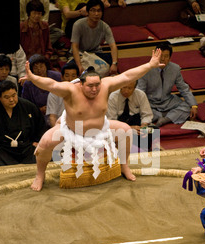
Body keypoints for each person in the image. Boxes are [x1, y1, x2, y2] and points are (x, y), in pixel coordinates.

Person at [19, 48, 165, 191]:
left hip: (100, 129)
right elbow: (51, 84)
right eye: (90, 86)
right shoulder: (70, 90)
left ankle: (124, 165)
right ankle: (40, 175)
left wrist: (150, 65)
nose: (94, 89)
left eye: (97, 85)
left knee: (125, 130)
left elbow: (127, 76)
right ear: (81, 84)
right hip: (70, 129)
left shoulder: (106, 86)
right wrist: (32, 78)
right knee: (45, 143)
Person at [0, 80, 46, 167]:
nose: (11, 100)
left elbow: (40, 125)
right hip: (3, 151)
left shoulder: (28, 106)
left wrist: (38, 141)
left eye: (14, 95)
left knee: (44, 154)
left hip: (26, 148)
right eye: (7, 97)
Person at [137, 42, 198, 127]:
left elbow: (183, 88)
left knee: (188, 107)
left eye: (166, 56)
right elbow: (140, 92)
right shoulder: (145, 69)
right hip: (150, 102)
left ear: (170, 58)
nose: (162, 59)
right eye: (160, 55)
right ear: (154, 55)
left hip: (167, 101)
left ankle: (165, 119)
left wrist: (193, 105)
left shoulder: (175, 69)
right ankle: (163, 115)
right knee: (138, 112)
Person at [70, 0, 118, 75]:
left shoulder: (105, 26)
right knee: (71, 70)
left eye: (99, 11)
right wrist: (79, 65)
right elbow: (75, 46)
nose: (96, 14)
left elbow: (113, 46)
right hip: (80, 53)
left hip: (95, 52)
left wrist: (114, 63)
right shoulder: (78, 24)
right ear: (88, 12)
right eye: (93, 11)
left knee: (112, 62)